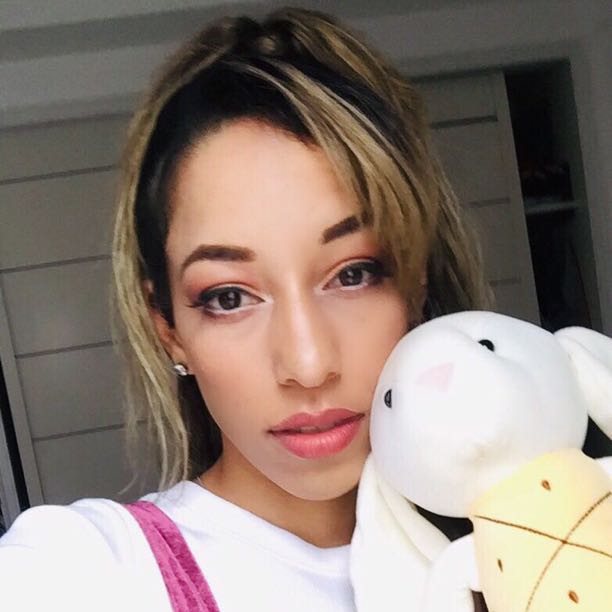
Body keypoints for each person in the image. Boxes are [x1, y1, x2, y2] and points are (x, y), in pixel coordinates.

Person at [0, 7, 489, 611]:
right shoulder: (88, 570)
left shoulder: (543, 533)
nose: (308, 365)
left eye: (353, 273)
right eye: (229, 297)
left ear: (414, 284)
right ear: (168, 329)